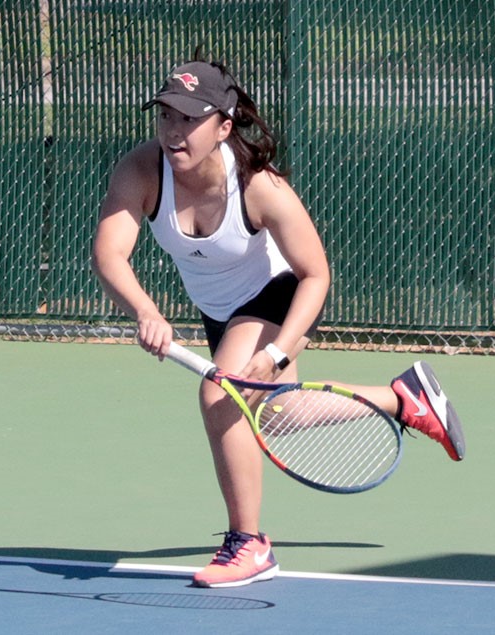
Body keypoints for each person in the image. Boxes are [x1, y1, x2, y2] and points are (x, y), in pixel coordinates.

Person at [91, 58, 465, 589]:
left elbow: (316, 274)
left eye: (189, 119)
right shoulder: (141, 170)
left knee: (221, 395)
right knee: (276, 414)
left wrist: (278, 353)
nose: (174, 131)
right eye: (167, 115)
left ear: (222, 126)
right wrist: (146, 312)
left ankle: (248, 544)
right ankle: (404, 397)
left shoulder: (259, 187)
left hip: (277, 295)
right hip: (220, 312)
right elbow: (110, 254)